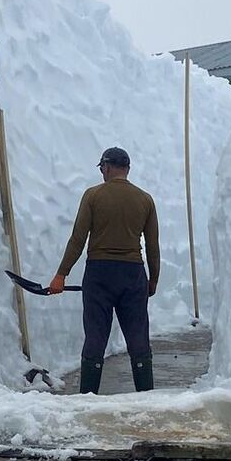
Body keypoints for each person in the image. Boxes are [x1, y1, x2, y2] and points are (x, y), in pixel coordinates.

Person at [48, 146, 159, 393]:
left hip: (99, 274)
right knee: (138, 336)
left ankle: (88, 397)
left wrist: (61, 275)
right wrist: (153, 279)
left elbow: (78, 239)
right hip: (133, 273)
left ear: (107, 167)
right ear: (127, 169)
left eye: (102, 168)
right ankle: (147, 396)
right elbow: (152, 245)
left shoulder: (93, 196)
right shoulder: (145, 199)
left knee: (96, 335)